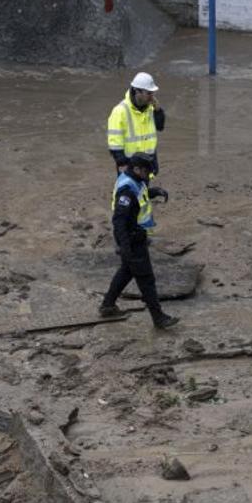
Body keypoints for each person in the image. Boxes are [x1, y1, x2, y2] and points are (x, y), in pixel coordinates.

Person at [99, 152, 179, 329]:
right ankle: (158, 318)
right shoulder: (127, 190)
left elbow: (140, 197)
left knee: (126, 272)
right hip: (132, 239)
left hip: (135, 237)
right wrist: (124, 246)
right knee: (146, 279)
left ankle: (107, 305)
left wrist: (154, 192)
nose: (148, 175)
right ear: (136, 169)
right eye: (146, 171)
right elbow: (119, 221)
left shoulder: (135, 180)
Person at [107, 72, 165, 175]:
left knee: (145, 185)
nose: (152, 97)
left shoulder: (151, 108)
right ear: (137, 91)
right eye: (149, 93)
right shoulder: (120, 111)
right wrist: (122, 163)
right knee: (129, 186)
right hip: (129, 164)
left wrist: (158, 111)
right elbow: (115, 143)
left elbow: (160, 127)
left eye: (153, 93)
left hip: (147, 161)